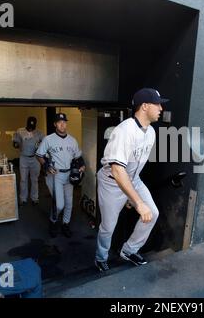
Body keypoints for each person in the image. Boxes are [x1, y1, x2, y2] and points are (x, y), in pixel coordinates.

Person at [94, 88, 168, 272]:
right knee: (108, 227)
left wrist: (131, 195)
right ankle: (100, 256)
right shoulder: (124, 131)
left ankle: (129, 250)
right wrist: (137, 202)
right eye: (157, 104)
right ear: (144, 106)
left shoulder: (150, 132)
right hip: (112, 182)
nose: (161, 108)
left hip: (132, 179)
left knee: (153, 213)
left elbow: (133, 169)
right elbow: (118, 170)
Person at [35, 113, 85, 238]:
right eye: (59, 122)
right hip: (56, 174)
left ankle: (65, 224)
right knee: (59, 205)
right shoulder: (48, 139)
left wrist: (82, 165)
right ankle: (53, 221)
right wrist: (46, 165)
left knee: (69, 203)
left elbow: (78, 157)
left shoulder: (72, 140)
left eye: (64, 122)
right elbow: (39, 155)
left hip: (69, 174)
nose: (62, 124)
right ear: (55, 124)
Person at [13, 116, 44, 206]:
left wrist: (40, 147)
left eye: (33, 126)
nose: (31, 128)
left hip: (35, 159)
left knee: (34, 179)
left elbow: (45, 143)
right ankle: (23, 198)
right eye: (29, 126)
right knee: (23, 179)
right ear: (26, 124)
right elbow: (15, 143)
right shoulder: (20, 131)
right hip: (24, 158)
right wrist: (16, 144)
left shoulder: (39, 133)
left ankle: (34, 198)